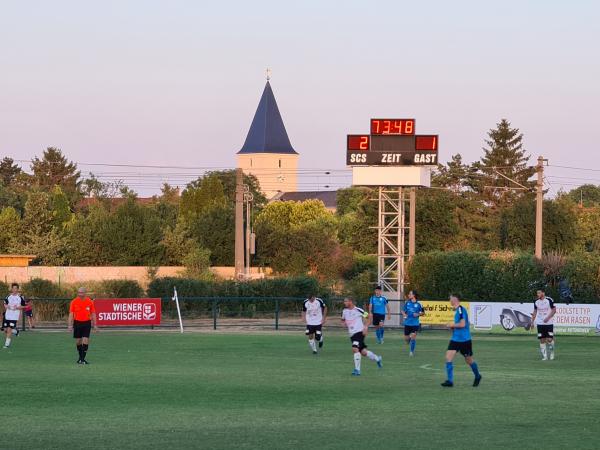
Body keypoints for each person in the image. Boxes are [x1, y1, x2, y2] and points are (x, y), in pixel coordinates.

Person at [441, 294, 482, 388]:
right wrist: (453, 327)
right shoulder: (457, 311)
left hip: (464, 340)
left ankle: (478, 376)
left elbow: (462, 324)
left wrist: (451, 325)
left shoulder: (460, 309)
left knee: (469, 360)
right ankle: (450, 381)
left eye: (450, 298)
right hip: (455, 339)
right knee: (448, 358)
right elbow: (459, 324)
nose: (449, 300)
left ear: (455, 299)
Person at [341, 297, 382, 376]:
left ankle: (357, 370)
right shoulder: (344, 311)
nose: (344, 303)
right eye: (344, 301)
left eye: (346, 301)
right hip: (352, 334)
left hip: (360, 332)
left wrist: (366, 327)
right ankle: (377, 359)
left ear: (351, 301)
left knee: (355, 348)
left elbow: (369, 317)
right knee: (363, 352)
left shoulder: (358, 310)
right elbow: (342, 320)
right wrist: (343, 323)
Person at [67, 287, 98, 364]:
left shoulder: (90, 302)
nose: (80, 294)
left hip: (87, 323)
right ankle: (80, 358)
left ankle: (82, 359)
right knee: (78, 342)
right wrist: (70, 325)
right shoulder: (74, 302)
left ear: (85, 293)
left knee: (85, 340)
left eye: (82, 292)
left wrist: (95, 325)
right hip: (77, 323)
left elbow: (93, 313)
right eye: (79, 292)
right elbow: (71, 314)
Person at [531, 288, 557, 361]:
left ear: (543, 293)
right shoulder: (536, 301)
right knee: (542, 340)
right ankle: (545, 356)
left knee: (549, 339)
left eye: (539, 293)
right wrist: (532, 322)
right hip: (540, 323)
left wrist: (548, 318)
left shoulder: (549, 300)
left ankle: (552, 353)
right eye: (537, 293)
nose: (538, 294)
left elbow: (554, 310)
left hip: (549, 323)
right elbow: (535, 311)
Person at [402, 290, 425, 356]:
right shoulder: (407, 303)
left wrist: (418, 314)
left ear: (414, 295)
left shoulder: (419, 304)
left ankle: (411, 352)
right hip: (407, 323)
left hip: (415, 324)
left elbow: (423, 313)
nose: (409, 295)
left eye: (410, 294)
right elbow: (403, 311)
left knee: (413, 337)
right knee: (406, 339)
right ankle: (409, 338)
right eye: (409, 294)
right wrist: (404, 315)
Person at [3, 283, 25, 348]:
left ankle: (7, 345)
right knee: (5, 330)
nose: (14, 290)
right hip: (7, 316)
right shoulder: (8, 297)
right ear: (11, 289)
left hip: (14, 317)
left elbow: (24, 306)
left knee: (9, 329)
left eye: (16, 288)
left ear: (18, 289)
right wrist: (7, 306)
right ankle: (16, 332)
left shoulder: (20, 298)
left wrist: (18, 307)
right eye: (13, 288)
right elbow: (5, 304)